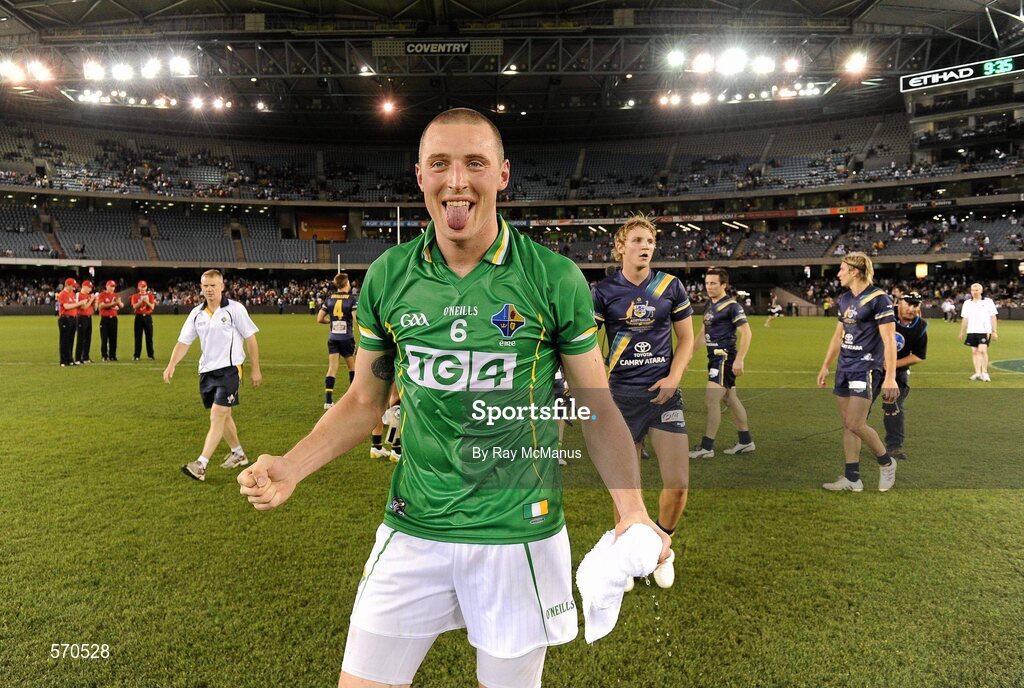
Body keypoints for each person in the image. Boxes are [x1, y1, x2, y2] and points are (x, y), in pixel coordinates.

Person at [237, 108, 669, 688]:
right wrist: (292, 465)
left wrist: (631, 509)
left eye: (475, 163)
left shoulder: (552, 277)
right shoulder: (389, 277)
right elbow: (366, 401)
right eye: (440, 163)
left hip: (518, 535)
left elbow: (595, 406)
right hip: (414, 524)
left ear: (503, 175)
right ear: (420, 176)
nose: (457, 180)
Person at [592, 214, 693, 590]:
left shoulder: (670, 286)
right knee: (626, 489)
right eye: (637, 240)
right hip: (621, 399)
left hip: (663, 395)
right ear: (621, 247)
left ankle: (663, 546)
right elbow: (587, 345)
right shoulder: (603, 292)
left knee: (678, 483)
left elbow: (686, 339)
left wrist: (674, 377)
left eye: (649, 241)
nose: (645, 246)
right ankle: (625, 556)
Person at [164, 270, 263, 482]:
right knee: (224, 415)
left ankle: (201, 464)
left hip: (230, 369)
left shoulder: (235, 309)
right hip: (206, 372)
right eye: (205, 286)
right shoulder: (196, 314)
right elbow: (184, 342)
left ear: (222, 286)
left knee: (217, 414)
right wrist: (172, 364)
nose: (209, 289)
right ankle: (238, 453)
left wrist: (255, 367)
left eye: (213, 285)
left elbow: (251, 339)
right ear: (201, 287)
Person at [817, 252, 899, 492]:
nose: (838, 273)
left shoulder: (879, 299)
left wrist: (891, 376)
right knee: (847, 424)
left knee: (855, 423)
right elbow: (837, 336)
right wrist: (826, 365)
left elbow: (889, 341)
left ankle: (886, 462)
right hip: (844, 366)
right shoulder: (844, 299)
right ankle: (852, 478)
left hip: (865, 367)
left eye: (842, 269)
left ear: (854, 271)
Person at [689, 268, 755, 459]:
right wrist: (689, 354)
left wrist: (740, 359)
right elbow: (703, 334)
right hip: (715, 358)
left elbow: (747, 333)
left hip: (724, 358)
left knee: (711, 401)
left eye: (713, 283)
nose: (709, 287)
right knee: (730, 399)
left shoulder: (732, 306)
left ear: (724, 285)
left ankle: (706, 447)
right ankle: (745, 441)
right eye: (707, 283)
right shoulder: (710, 304)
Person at [877, 291, 927, 461]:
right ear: (899, 302)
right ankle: (855, 436)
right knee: (861, 405)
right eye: (908, 303)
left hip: (898, 373)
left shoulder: (920, 326)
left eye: (915, 305)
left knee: (894, 407)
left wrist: (891, 364)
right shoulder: (884, 315)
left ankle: (894, 446)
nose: (911, 308)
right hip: (873, 369)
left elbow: (918, 356)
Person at [316, 272, 357, 410]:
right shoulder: (352, 299)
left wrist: (332, 321)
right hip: (346, 338)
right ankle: (353, 399)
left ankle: (328, 401)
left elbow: (319, 318)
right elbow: (356, 319)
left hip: (333, 337)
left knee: (332, 368)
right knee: (352, 368)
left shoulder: (329, 298)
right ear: (346, 283)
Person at [959, 282, 998, 381]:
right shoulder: (967, 303)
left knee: (982, 351)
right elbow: (965, 319)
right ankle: (977, 373)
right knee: (974, 352)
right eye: (973, 290)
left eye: (977, 290)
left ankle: (985, 372)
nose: (975, 292)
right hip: (971, 331)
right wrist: (962, 332)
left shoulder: (988, 302)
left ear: (981, 290)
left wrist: (994, 331)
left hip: (984, 331)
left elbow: (993, 317)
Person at [56, 277, 82, 367]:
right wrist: (79, 304)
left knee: (71, 340)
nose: (74, 288)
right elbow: (66, 306)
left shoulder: (72, 294)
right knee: (64, 340)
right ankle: (63, 360)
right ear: (67, 285)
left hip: (73, 318)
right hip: (65, 319)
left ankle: (70, 359)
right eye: (72, 286)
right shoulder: (62, 294)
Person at [97, 280, 124, 361]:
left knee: (113, 338)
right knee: (104, 338)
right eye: (111, 286)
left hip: (114, 318)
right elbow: (101, 306)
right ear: (107, 286)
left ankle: (112, 355)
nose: (113, 288)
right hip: (105, 318)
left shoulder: (116, 295)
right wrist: (113, 304)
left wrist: (118, 302)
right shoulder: (102, 295)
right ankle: (104, 355)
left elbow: (122, 305)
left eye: (113, 286)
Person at [131, 280, 155, 360]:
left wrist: (147, 302)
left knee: (149, 336)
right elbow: (134, 306)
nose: (143, 288)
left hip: (148, 316)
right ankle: (136, 355)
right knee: (138, 337)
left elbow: (152, 307)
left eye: (144, 287)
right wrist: (141, 301)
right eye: (141, 287)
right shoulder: (135, 296)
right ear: (138, 287)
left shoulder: (150, 295)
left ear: (146, 287)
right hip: (139, 316)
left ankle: (151, 355)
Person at [74, 280, 97, 364]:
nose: (90, 289)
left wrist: (95, 301)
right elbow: (83, 307)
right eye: (89, 287)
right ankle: (77, 358)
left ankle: (85, 357)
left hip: (88, 317)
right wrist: (91, 299)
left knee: (88, 338)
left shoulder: (88, 296)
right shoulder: (78, 294)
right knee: (80, 338)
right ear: (84, 286)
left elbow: (94, 309)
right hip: (81, 317)